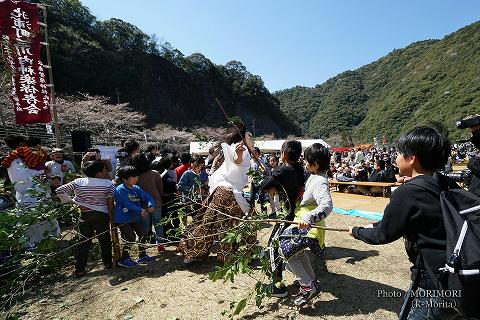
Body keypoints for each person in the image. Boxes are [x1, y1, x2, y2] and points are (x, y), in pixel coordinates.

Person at [348, 124, 469, 319]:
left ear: (411, 158)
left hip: (432, 282)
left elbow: (383, 235)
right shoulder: (446, 182)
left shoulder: (409, 192)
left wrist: (356, 231)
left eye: (399, 153)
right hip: (459, 277)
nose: (395, 158)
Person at [178, 122, 255, 263]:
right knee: (245, 222)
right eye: (250, 137)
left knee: (208, 224)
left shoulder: (238, 149)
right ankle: (242, 254)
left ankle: (192, 252)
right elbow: (237, 161)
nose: (253, 139)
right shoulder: (241, 150)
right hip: (230, 193)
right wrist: (239, 154)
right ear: (243, 138)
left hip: (220, 192)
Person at [276, 143, 333, 306]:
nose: (304, 164)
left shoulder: (320, 182)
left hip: (309, 226)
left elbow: (327, 205)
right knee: (295, 252)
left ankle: (307, 286)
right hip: (302, 223)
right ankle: (311, 282)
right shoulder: (313, 175)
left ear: (314, 164)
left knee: (286, 248)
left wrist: (309, 217)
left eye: (306, 161)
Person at [56, 161, 115, 277]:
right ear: (98, 173)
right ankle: (107, 263)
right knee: (104, 240)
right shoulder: (108, 184)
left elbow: (59, 190)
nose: (105, 172)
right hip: (101, 215)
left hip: (83, 214)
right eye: (104, 170)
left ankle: (80, 269)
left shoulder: (79, 181)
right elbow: (112, 198)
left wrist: (71, 201)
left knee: (83, 242)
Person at [3, 135, 60, 247]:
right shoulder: (15, 160)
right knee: (33, 222)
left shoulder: (29, 157)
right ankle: (33, 245)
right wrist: (42, 178)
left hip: (41, 194)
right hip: (29, 196)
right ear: (20, 145)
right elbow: (23, 181)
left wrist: (45, 177)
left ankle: (52, 240)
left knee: (47, 219)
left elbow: (40, 170)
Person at [114, 166, 155, 268]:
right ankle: (124, 259)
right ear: (124, 179)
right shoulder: (120, 189)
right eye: (133, 177)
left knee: (143, 234)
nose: (137, 178)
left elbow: (147, 197)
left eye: (137, 176)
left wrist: (151, 204)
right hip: (123, 219)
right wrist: (140, 210)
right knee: (130, 237)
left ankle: (142, 255)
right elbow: (127, 204)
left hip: (135, 218)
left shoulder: (136, 188)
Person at [129, 153, 165, 253]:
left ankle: (143, 247)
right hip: (156, 202)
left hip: (141, 206)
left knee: (144, 227)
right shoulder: (154, 173)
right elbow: (160, 189)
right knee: (158, 224)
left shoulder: (134, 177)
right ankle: (161, 245)